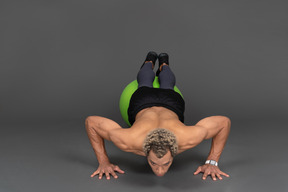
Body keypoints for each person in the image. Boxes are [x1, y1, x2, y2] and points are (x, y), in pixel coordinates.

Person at [85, 51, 231, 180]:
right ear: (145, 151)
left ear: (174, 152)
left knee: (161, 84)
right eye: (153, 163)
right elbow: (91, 123)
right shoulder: (128, 140)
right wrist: (103, 162)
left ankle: (163, 63)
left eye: (166, 164)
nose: (160, 171)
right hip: (146, 103)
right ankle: (150, 60)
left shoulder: (189, 137)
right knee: (147, 83)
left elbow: (224, 123)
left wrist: (212, 162)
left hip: (168, 103)